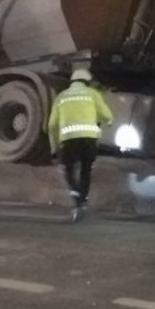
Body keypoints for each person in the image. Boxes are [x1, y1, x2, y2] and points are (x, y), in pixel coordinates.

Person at [46, 69, 113, 222]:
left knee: (68, 172)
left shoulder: (61, 97)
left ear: (73, 82)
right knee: (85, 171)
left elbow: (52, 125)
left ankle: (76, 201)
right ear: (87, 82)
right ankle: (83, 202)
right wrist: (105, 122)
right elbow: (107, 116)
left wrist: (54, 147)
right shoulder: (93, 94)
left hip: (68, 140)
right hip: (89, 140)